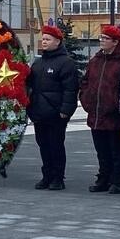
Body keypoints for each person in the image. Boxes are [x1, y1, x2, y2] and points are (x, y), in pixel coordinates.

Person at [26, 25, 79, 191]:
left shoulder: (66, 63)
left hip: (56, 113)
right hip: (39, 112)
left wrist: (66, 110)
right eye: (43, 39)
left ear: (58, 41)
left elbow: (70, 89)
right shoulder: (38, 62)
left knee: (56, 145)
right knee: (43, 145)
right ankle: (47, 175)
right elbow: (29, 84)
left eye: (48, 39)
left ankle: (57, 177)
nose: (44, 42)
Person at [80, 24, 120, 194]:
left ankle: (118, 180)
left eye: (106, 38)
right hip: (96, 113)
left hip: (114, 114)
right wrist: (86, 100)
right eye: (101, 37)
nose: (102, 41)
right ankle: (103, 178)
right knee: (101, 151)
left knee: (116, 150)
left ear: (116, 42)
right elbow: (85, 82)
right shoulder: (96, 60)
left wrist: (118, 105)